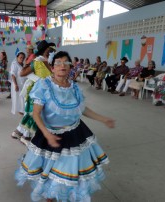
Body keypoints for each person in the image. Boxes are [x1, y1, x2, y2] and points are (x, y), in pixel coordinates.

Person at [15, 51, 115, 202]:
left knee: (68, 175)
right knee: (49, 174)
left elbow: (82, 109)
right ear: (52, 68)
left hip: (75, 135)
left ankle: (61, 197)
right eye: (58, 63)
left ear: (70, 68)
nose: (62, 66)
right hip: (50, 135)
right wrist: (47, 134)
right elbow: (36, 114)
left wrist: (103, 119)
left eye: (66, 63)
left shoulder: (74, 88)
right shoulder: (44, 85)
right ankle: (50, 197)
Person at [11, 40, 55, 145]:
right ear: (44, 50)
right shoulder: (37, 60)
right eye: (48, 49)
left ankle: (20, 133)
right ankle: (26, 136)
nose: (50, 52)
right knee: (33, 113)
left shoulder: (45, 60)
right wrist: (38, 79)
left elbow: (50, 74)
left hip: (44, 91)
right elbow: (22, 73)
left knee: (34, 114)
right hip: (37, 91)